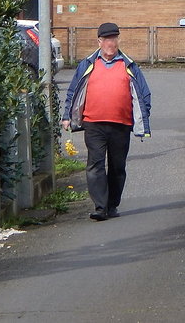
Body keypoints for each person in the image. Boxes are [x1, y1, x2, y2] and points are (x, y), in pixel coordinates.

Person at [61, 21, 152, 221]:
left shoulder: (128, 65)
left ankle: (112, 205)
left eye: (114, 38)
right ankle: (100, 207)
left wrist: (143, 116)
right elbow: (73, 91)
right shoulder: (87, 64)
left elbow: (144, 93)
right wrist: (67, 115)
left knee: (117, 167)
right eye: (107, 39)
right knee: (95, 164)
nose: (111, 43)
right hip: (93, 123)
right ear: (99, 42)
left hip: (121, 125)